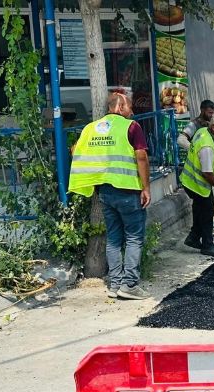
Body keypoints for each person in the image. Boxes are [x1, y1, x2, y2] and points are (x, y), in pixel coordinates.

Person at [68, 92, 151, 300]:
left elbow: (75, 150)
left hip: (105, 192)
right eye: (130, 108)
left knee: (113, 238)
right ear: (121, 108)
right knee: (133, 238)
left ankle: (115, 285)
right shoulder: (131, 127)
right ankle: (130, 284)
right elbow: (141, 156)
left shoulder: (91, 129)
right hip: (128, 190)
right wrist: (146, 187)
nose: (131, 112)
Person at [180, 114, 214, 257]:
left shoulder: (202, 131)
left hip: (188, 180)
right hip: (197, 184)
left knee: (198, 209)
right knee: (207, 211)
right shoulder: (207, 146)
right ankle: (208, 245)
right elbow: (207, 173)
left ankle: (193, 237)